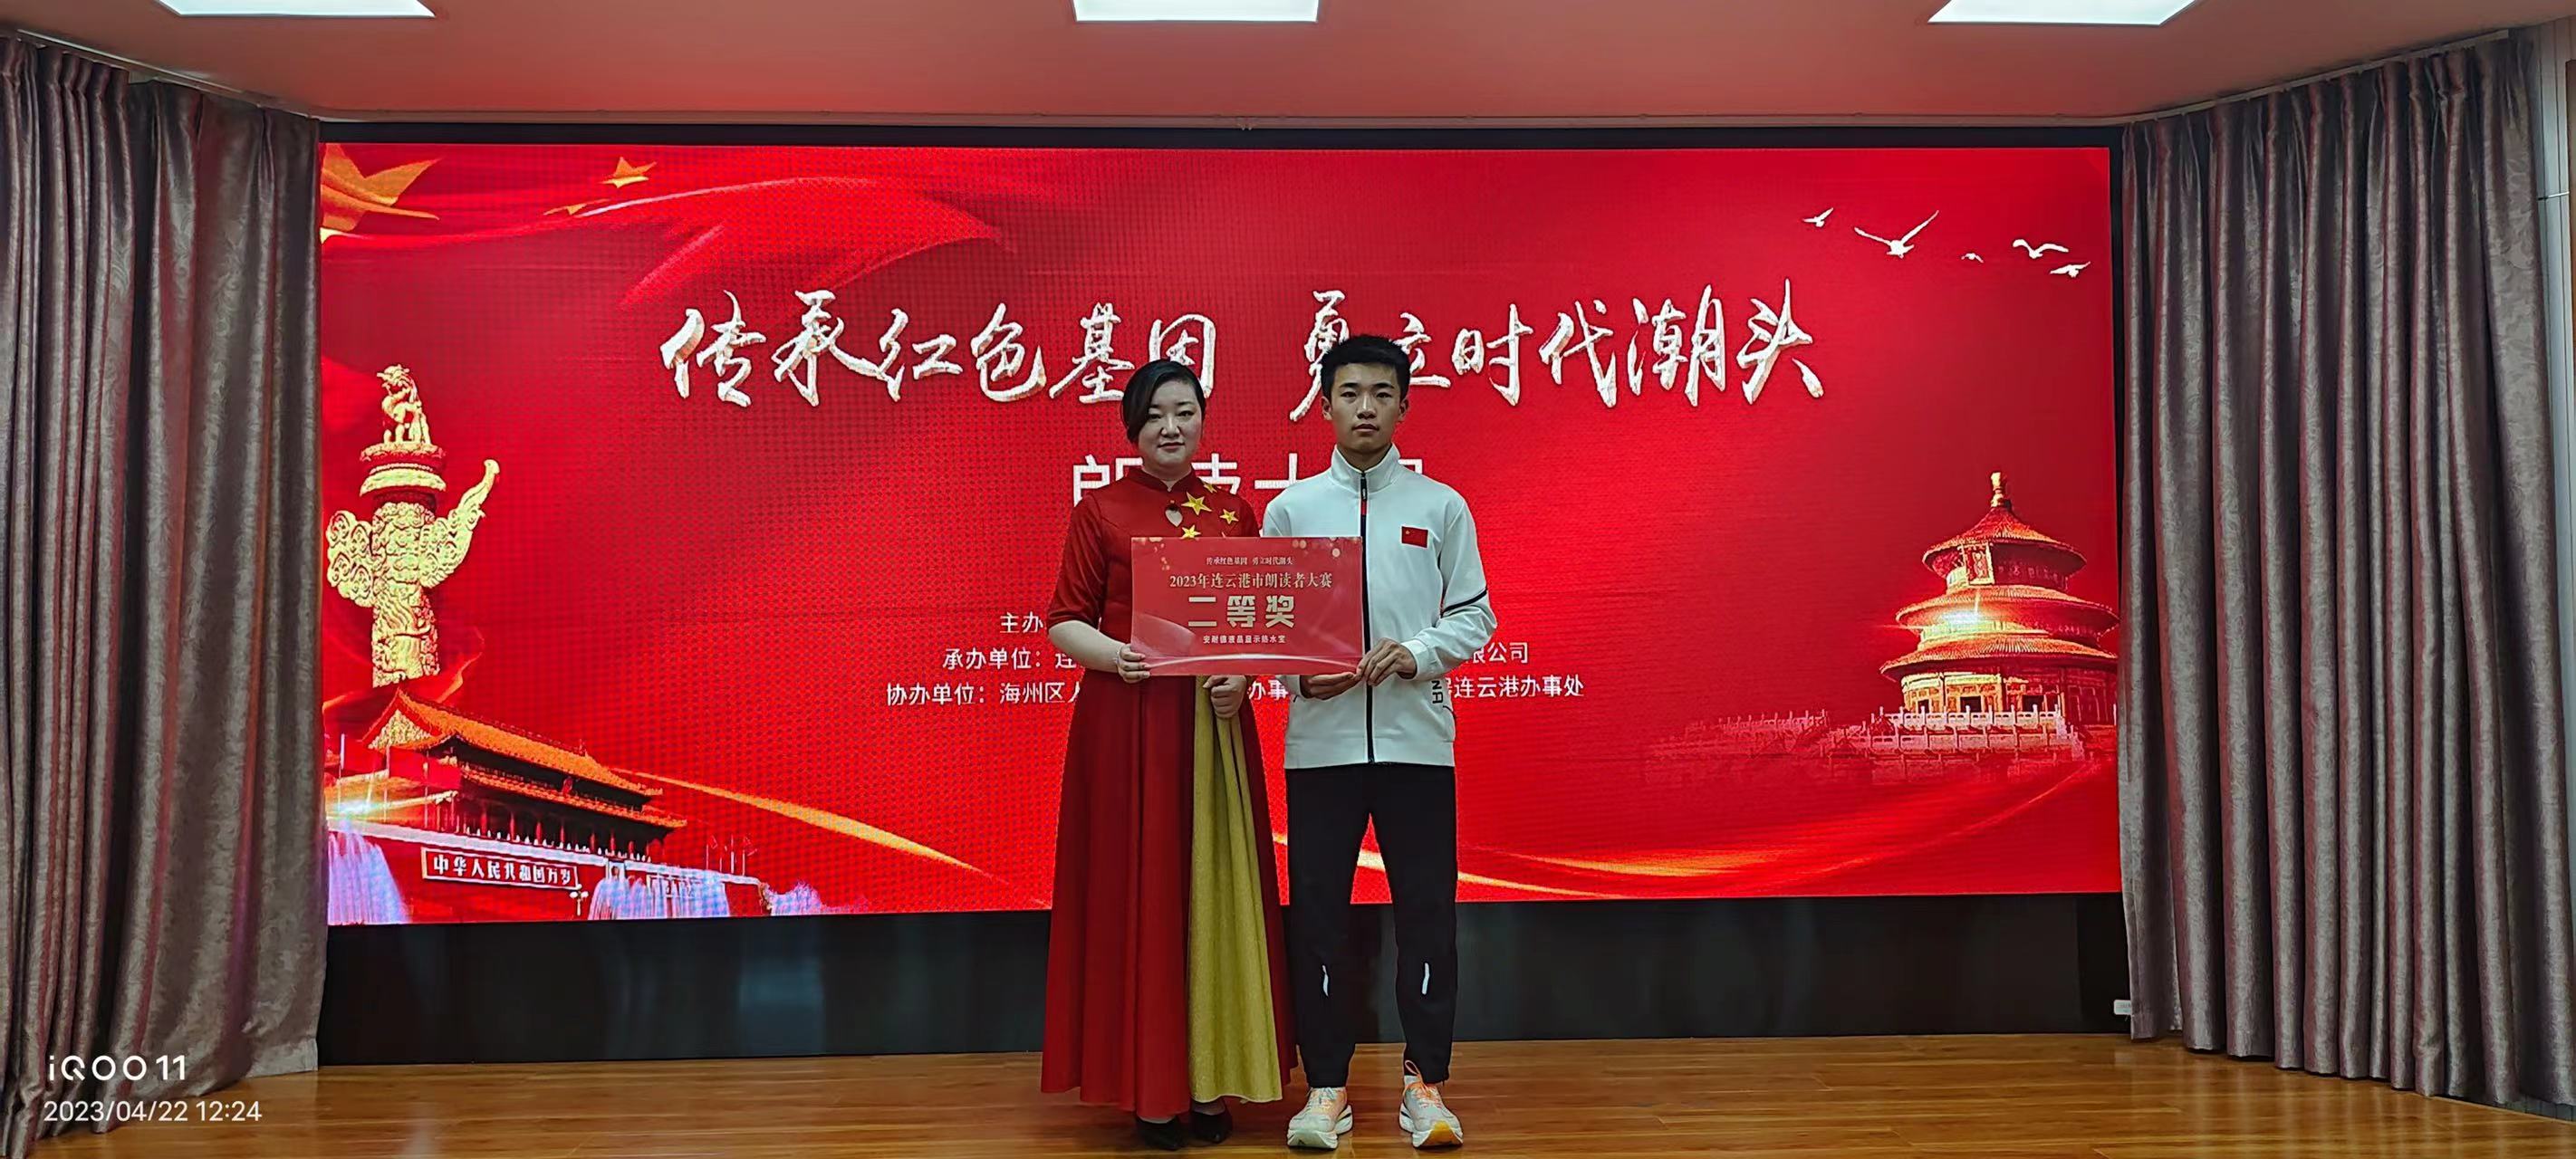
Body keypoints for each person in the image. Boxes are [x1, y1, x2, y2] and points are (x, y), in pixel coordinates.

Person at [1041, 360, 1296, 1150]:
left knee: (1214, 894)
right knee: (1140, 895)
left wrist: (1242, 678)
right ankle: (1149, 1092)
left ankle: (1213, 1081)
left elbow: (1258, 624)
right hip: (1128, 724)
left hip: (1211, 728)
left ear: (1203, 422)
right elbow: (1063, 619)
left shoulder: (1234, 513)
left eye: (1185, 411)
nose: (1171, 427)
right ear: (1133, 427)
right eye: (1155, 414)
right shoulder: (1100, 510)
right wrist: (1116, 656)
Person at [1263, 335, 1495, 1151]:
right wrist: (1302, 680)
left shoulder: (1441, 506)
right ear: (1324, 405)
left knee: (1428, 915)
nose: (1366, 408)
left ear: (1404, 405)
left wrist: (1417, 653)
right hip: (1320, 750)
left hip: (1417, 746)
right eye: (1351, 393)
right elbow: (1271, 627)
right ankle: (1325, 1089)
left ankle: (1424, 1086)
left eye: (1382, 393)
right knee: (1318, 919)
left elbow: (1474, 613)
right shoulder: (1291, 510)